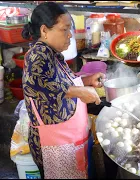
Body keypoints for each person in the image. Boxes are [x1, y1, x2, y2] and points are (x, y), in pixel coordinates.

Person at [21, 2, 104, 179]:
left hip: (67, 140)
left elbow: (60, 82)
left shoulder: (52, 53)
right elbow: (36, 84)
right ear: (44, 30)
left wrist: (86, 81)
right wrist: (79, 92)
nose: (70, 36)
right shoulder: (38, 54)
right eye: (64, 29)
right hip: (54, 145)